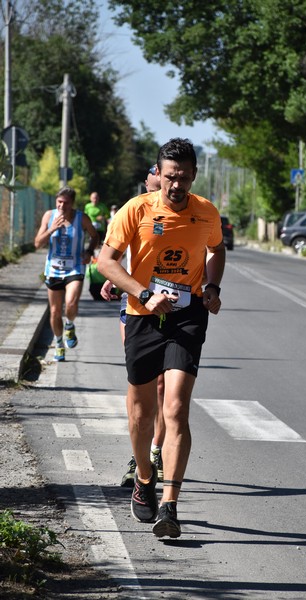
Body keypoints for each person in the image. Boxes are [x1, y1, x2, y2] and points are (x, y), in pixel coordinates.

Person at [97, 138, 225, 539]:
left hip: (187, 315)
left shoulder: (206, 212)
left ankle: (170, 504)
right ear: (158, 173)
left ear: (194, 176)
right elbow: (106, 262)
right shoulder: (136, 210)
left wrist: (212, 286)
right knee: (140, 413)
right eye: (170, 177)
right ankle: (145, 478)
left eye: (184, 177)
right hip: (142, 315)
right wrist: (143, 293)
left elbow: (216, 250)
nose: (176, 185)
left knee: (176, 409)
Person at [100, 165, 165, 486]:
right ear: (148, 182)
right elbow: (116, 254)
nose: (161, 190)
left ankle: (155, 452)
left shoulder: (185, 208)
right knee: (140, 383)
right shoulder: (135, 209)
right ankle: (138, 453)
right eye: (155, 183)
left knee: (165, 386)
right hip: (136, 306)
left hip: (172, 307)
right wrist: (116, 282)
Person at [35, 186, 99, 362]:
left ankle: (69, 325)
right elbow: (37, 243)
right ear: (56, 201)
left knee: (71, 303)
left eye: (66, 203)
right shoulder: (49, 216)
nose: (62, 206)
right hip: (53, 269)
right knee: (55, 312)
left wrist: (89, 251)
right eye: (59, 202)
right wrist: (51, 229)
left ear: (72, 204)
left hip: (75, 267)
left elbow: (95, 236)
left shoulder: (81, 218)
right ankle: (59, 344)